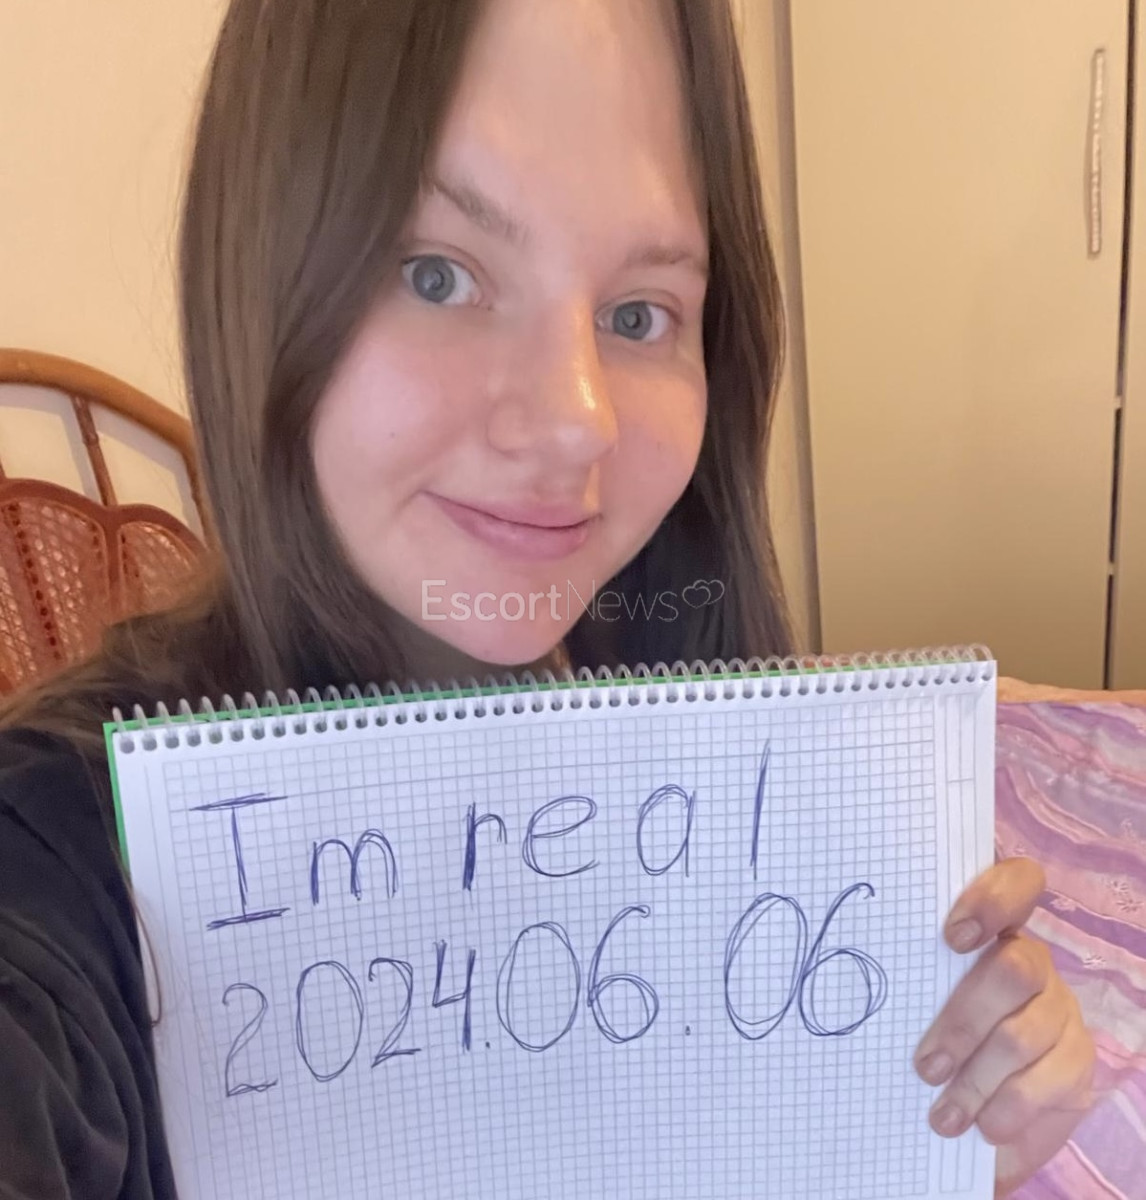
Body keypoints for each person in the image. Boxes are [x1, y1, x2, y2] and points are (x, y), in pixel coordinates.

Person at [0, 0, 1094, 1196]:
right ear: (261, 281)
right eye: (436, 274)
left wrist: (932, 1143)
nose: (581, 418)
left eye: (638, 314)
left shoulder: (681, 708)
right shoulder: (55, 856)